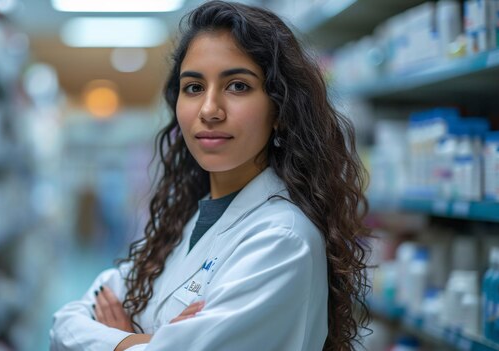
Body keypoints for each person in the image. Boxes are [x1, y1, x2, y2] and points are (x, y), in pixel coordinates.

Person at [50, 1, 370, 350]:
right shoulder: (184, 222)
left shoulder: (282, 240)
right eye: (194, 87)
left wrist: (125, 340)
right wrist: (149, 342)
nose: (209, 110)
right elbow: (64, 324)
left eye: (237, 86)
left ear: (280, 108)